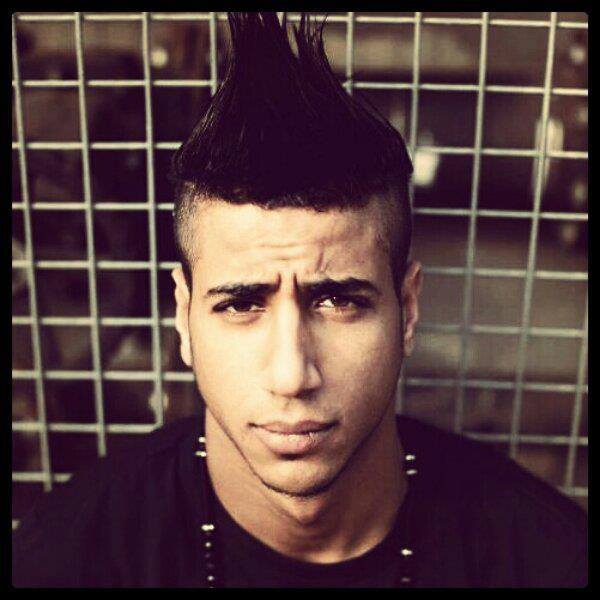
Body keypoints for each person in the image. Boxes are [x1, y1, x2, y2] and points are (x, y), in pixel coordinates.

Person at [12, 12, 587, 588]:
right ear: (183, 317)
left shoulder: (547, 559)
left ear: (407, 312)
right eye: (241, 305)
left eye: (338, 301)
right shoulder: (66, 561)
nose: (291, 376)